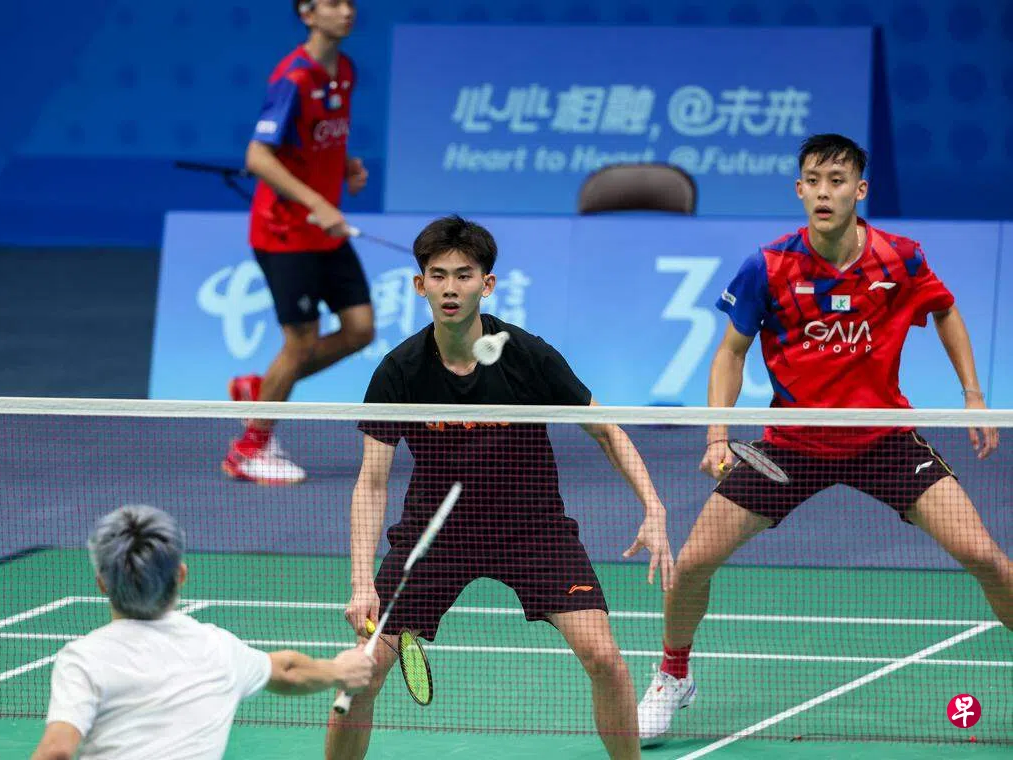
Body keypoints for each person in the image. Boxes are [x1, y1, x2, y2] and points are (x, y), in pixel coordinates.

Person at [636, 133, 1013, 740]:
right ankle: (672, 675)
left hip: (882, 440)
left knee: (988, 559)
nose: (823, 192)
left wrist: (973, 395)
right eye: (813, 180)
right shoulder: (768, 265)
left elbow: (944, 309)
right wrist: (716, 435)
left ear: (859, 190)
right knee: (693, 564)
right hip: (792, 445)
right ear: (799, 189)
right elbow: (730, 353)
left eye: (837, 181)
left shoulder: (901, 258)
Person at [324, 215, 675, 760]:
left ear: (486, 284)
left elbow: (606, 430)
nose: (450, 288)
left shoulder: (526, 355)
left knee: (605, 658)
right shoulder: (400, 371)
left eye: (464, 275)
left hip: (532, 530)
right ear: (419, 285)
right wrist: (360, 582)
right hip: (434, 537)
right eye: (438, 275)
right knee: (362, 674)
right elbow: (371, 483)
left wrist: (653, 507)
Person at [31, 505, 374, 760]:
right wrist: (340, 670)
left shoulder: (82, 659)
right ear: (181, 575)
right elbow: (288, 671)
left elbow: (56, 751)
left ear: (102, 584)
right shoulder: (218, 648)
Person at [224, 0, 374, 485]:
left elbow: (316, 137)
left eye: (349, 3)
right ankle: (249, 449)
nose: (346, 11)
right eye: (333, 4)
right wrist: (317, 201)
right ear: (308, 14)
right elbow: (258, 157)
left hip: (323, 231)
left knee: (360, 329)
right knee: (301, 341)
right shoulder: (293, 78)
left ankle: (261, 389)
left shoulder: (344, 71)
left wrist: (344, 165)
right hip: (286, 232)